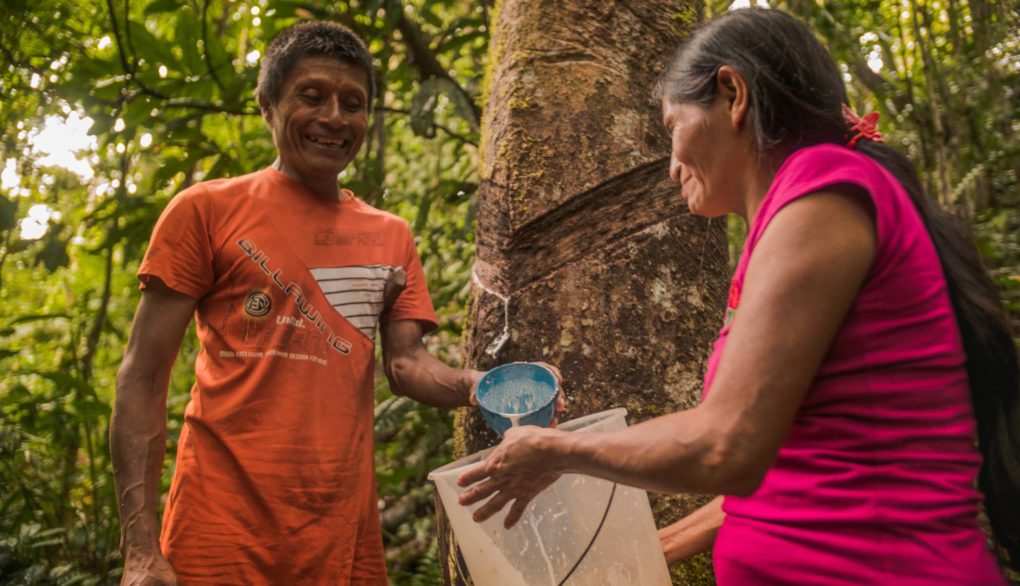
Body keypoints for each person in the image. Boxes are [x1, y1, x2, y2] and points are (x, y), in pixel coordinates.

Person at [457, 8, 1019, 585]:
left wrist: (554, 451)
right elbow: (787, 460)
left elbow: (727, 447)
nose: (672, 165)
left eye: (673, 127)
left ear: (733, 94)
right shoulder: (799, 214)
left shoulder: (823, 191)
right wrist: (650, 549)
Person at [110, 21, 561, 585]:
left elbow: (406, 365)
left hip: (340, 539)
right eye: (312, 95)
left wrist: (476, 385)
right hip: (216, 531)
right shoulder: (205, 210)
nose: (334, 118)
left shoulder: (389, 235)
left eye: (354, 103)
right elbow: (142, 377)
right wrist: (140, 549)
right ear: (267, 104)